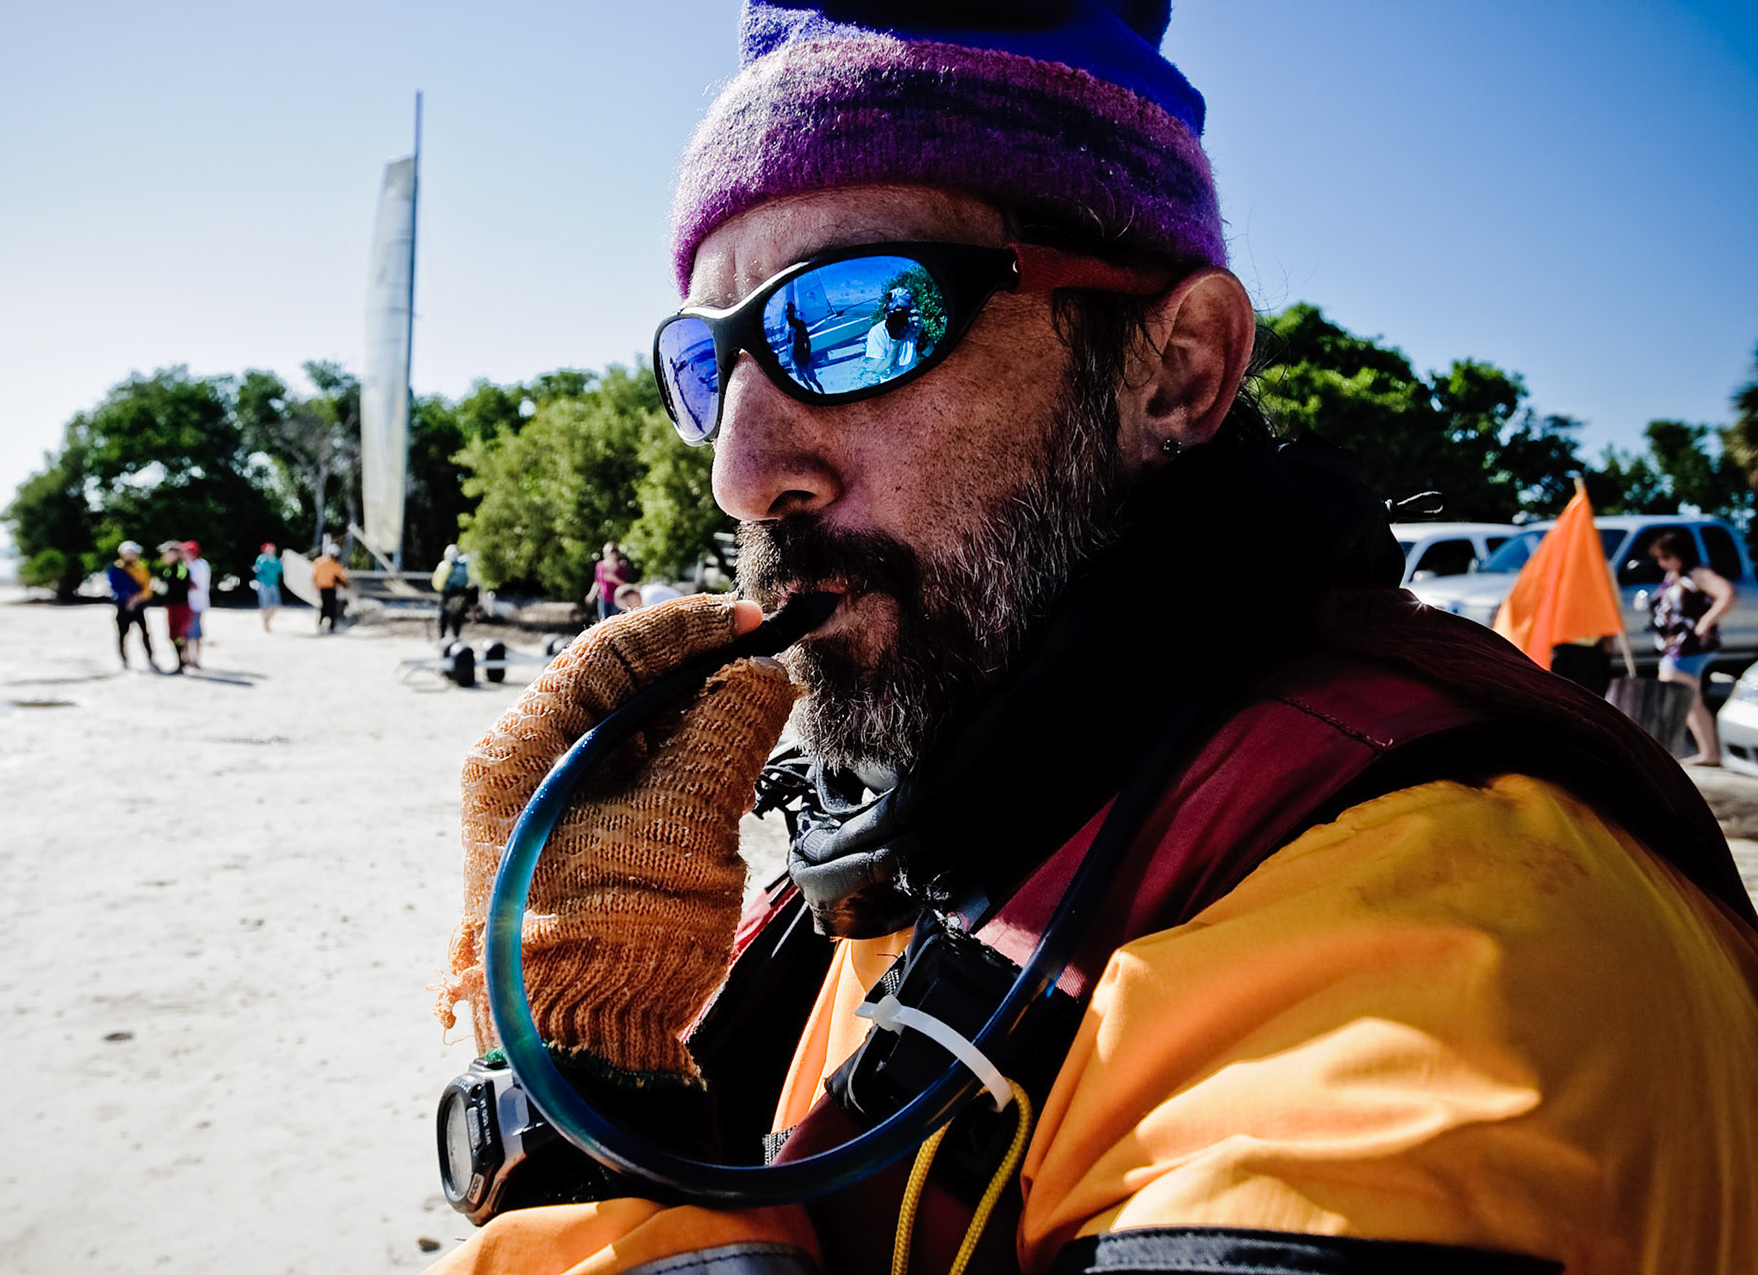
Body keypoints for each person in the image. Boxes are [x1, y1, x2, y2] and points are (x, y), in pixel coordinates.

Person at [432, 6, 1758, 1273]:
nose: (741, 468)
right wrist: (603, 1004)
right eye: (710, 367)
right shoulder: (991, 794)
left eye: (856, 318)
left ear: (1175, 367)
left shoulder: (1449, 943)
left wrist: (573, 1132)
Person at [1649, 530, 1737, 766]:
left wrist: (1707, 620)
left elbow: (1727, 593)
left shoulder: (1697, 573)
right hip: (1673, 647)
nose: (1662, 563)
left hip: (1687, 647)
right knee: (1689, 701)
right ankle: (1709, 753)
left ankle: (1678, 753)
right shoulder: (1674, 576)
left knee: (1678, 697)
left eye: (1665, 556)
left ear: (1678, 554)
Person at [105, 540, 156, 671]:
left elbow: (147, 587)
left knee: (145, 633)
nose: (131, 556)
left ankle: (151, 658)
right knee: (123, 635)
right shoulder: (116, 569)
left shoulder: (141, 568)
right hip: (123, 606)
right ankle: (124, 660)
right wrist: (128, 599)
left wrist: (137, 598)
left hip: (138, 606)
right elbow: (115, 588)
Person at [150, 542, 191, 674]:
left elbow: (179, 586)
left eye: (166, 553)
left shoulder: (180, 568)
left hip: (179, 605)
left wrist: (161, 588)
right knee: (174, 635)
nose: (164, 556)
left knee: (179, 634)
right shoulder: (169, 569)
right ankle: (181, 662)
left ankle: (181, 663)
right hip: (172, 605)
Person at [432, 545, 475, 641]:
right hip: (461, 594)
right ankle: (455, 637)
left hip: (448, 594)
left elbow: (438, 583)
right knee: (456, 616)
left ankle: (442, 637)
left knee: (445, 615)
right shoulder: (464, 565)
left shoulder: (445, 566)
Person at [180, 540, 211, 668]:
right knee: (185, 634)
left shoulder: (201, 565)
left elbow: (196, 584)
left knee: (195, 633)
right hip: (186, 603)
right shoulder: (184, 565)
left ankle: (196, 659)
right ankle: (187, 658)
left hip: (196, 604)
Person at [583, 542, 631, 623]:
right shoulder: (600, 565)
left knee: (614, 622)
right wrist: (591, 595)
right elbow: (597, 582)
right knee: (603, 622)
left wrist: (614, 579)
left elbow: (624, 585)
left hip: (616, 599)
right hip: (603, 598)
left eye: (611, 552)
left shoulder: (620, 567)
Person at [784, 297, 824, 392]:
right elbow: (788, 343)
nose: (788, 313)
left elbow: (807, 341)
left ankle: (823, 394)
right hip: (794, 361)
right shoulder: (786, 328)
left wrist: (807, 356)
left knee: (814, 380)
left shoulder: (799, 324)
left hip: (803, 359)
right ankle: (814, 398)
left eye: (790, 311)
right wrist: (790, 360)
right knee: (804, 382)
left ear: (793, 311)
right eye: (786, 311)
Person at [312, 543, 349, 634]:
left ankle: (321, 624)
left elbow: (314, 575)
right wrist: (346, 585)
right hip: (330, 588)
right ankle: (331, 627)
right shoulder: (335, 566)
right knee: (331, 607)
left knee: (324, 606)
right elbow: (341, 578)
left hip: (321, 588)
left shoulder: (319, 562)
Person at [252, 543, 284, 633]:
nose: (271, 550)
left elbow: (281, 569)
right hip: (263, 584)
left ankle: (267, 621)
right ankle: (265, 623)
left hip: (274, 584)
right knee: (265, 605)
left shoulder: (276, 560)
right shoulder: (261, 558)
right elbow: (263, 567)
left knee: (276, 605)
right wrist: (276, 562)